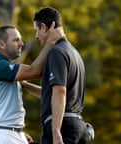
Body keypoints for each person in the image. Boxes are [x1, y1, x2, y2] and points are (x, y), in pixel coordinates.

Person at [0, 23, 64, 144]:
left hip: (10, 134)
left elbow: (43, 94)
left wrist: (18, 133)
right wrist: (50, 42)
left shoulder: (8, 72)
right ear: (1, 44)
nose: (21, 44)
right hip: (4, 136)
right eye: (16, 40)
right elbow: (34, 71)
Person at [22, 6, 94, 144]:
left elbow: (60, 92)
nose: (36, 36)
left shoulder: (56, 52)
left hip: (63, 127)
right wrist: (25, 86)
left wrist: (56, 131)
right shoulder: (74, 53)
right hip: (77, 126)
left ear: (44, 27)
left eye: (36, 30)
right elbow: (51, 95)